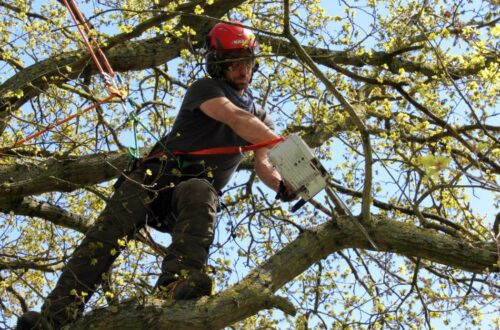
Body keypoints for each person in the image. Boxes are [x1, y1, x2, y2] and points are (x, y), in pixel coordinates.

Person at [17, 21, 296, 329]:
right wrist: (280, 141)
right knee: (105, 238)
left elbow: (263, 163)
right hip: (154, 177)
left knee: (202, 192)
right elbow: (233, 117)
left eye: (246, 62)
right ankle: (55, 317)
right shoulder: (206, 89)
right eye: (232, 63)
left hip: (189, 196)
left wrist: (281, 184)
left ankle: (176, 285)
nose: (241, 70)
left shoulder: (262, 118)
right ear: (218, 65)